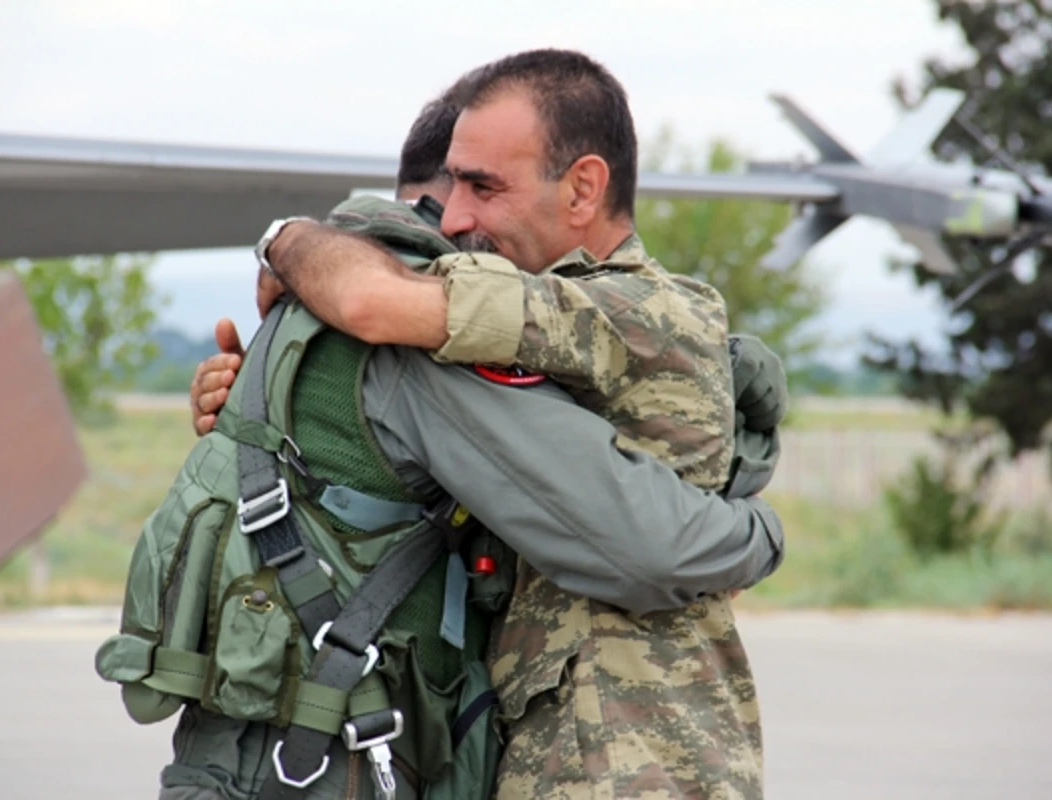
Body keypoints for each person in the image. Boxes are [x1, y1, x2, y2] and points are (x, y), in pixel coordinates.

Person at [196, 50, 785, 798]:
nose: (455, 225)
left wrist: (287, 240)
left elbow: (376, 304)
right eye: (440, 201)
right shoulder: (573, 322)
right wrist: (273, 398)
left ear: (583, 188)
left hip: (625, 761)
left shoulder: (610, 310)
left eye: (482, 188)